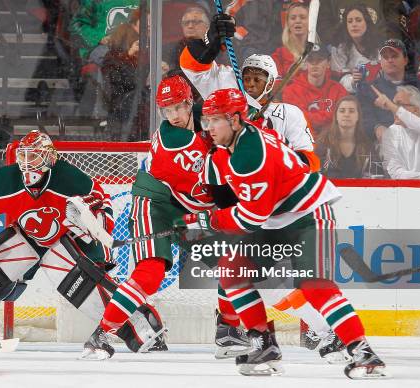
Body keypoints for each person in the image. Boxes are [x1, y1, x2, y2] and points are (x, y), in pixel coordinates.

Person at [176, 88, 387, 379]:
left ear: (236, 120)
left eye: (215, 120)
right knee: (232, 270)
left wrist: (206, 221)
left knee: (313, 284)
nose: (208, 127)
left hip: (308, 214)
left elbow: (250, 217)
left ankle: (363, 352)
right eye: (207, 120)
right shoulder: (233, 147)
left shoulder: (248, 155)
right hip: (275, 220)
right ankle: (263, 345)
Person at [0, 130, 166, 354]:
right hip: (27, 237)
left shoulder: (70, 179)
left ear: (50, 158)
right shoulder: (4, 180)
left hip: (66, 240)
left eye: (34, 157)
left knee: (83, 286)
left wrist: (91, 222)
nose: (27, 164)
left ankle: (142, 327)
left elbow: (102, 207)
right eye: (24, 157)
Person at [80, 74, 213, 360]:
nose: (174, 115)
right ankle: (103, 332)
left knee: (228, 260)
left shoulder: (205, 118)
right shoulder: (174, 140)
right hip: (153, 204)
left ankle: (230, 328)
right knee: (150, 274)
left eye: (178, 107)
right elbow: (204, 191)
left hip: (179, 204)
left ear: (190, 102)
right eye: (167, 110)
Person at [180, 18, 320, 171]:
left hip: (269, 186)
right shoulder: (229, 89)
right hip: (226, 177)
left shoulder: (289, 114)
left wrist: (270, 148)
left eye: (257, 79)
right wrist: (209, 44)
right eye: (247, 78)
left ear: (271, 83)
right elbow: (192, 67)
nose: (251, 83)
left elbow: (310, 163)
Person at [356, 38, 420, 142]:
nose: (390, 60)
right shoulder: (369, 89)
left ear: (405, 60)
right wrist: (376, 128)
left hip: (418, 142)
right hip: (382, 145)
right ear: (380, 61)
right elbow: (364, 118)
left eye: (394, 56)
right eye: (385, 57)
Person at [283, 44, 348, 137]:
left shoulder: (338, 90)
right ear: (306, 63)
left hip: (333, 141)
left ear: (328, 63)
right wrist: (331, 116)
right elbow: (299, 120)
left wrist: (312, 118)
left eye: (319, 60)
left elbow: (344, 118)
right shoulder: (291, 91)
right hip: (304, 141)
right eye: (310, 60)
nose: (314, 64)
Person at [376, 85, 420, 179]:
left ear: (416, 110)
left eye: (399, 105)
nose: (394, 110)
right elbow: (395, 172)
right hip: (404, 189)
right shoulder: (391, 132)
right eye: (393, 105)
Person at [316, 95, 374, 178]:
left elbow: (375, 176)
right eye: (342, 111)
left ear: (358, 116)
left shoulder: (367, 146)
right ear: (336, 116)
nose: (346, 114)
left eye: (351, 111)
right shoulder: (323, 143)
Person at [329, 3, 382, 93]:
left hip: (380, 92)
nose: (354, 24)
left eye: (358, 20)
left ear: (367, 22)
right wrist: (353, 81)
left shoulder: (380, 46)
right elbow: (338, 78)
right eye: (350, 21)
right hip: (351, 96)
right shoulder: (339, 49)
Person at [68, 0, 139, 61]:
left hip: (137, 47)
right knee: (113, 62)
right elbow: (77, 24)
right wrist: (100, 37)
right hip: (103, 49)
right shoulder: (95, 2)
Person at [271, 2, 310, 78]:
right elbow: (276, 86)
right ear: (288, 23)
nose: (298, 21)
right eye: (293, 18)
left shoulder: (319, 52)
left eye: (302, 17)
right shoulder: (279, 55)